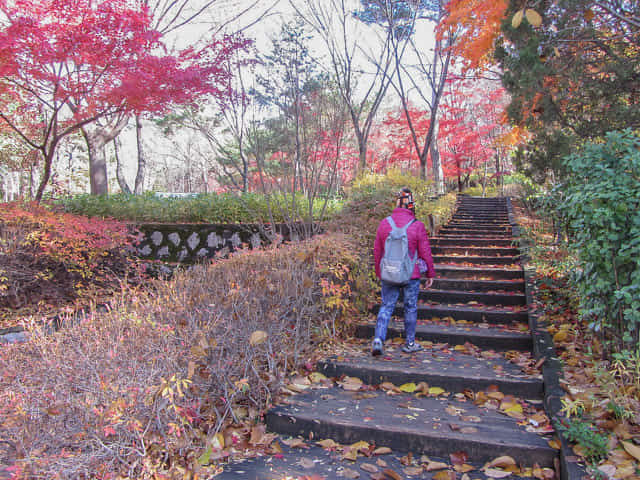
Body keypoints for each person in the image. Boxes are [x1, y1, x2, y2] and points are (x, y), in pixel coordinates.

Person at [372, 188, 436, 356]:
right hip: (411, 274)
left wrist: (379, 271)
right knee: (410, 307)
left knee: (386, 305)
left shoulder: (385, 223)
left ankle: (378, 339)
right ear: (411, 206)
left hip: (389, 273)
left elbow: (377, 251)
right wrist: (430, 273)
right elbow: (425, 252)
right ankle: (410, 343)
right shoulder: (417, 225)